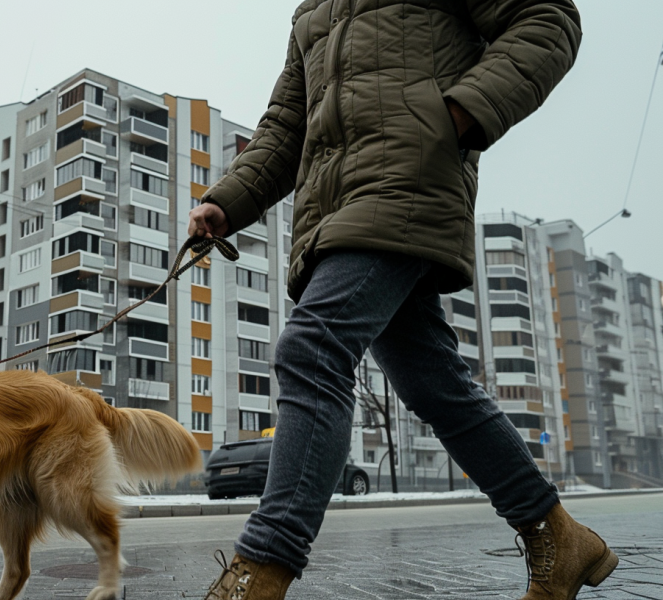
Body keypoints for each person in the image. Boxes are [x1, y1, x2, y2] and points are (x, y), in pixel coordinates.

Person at [188, 2, 615, 599]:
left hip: (408, 179)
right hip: (335, 207)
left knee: (313, 350)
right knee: (432, 383)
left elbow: (547, 19)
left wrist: (457, 115)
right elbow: (289, 122)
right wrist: (228, 201)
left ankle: (262, 569)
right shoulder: (313, 11)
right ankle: (558, 536)